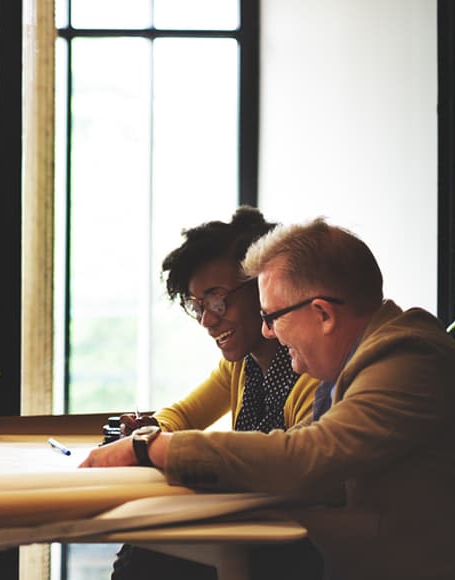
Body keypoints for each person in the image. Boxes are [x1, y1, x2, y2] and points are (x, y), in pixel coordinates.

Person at [82, 217, 455, 580]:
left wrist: (149, 446)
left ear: (323, 314)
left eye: (272, 316)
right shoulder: (355, 365)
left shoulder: (405, 359)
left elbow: (306, 458)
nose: (270, 332)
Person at [110, 207, 322, 580]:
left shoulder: (311, 371)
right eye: (198, 306)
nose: (208, 320)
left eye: (217, 300)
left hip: (294, 548)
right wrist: (149, 429)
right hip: (247, 530)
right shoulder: (240, 365)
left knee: (142, 556)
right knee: (140, 547)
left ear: (265, 284)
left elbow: (296, 473)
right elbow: (181, 414)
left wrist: (157, 446)